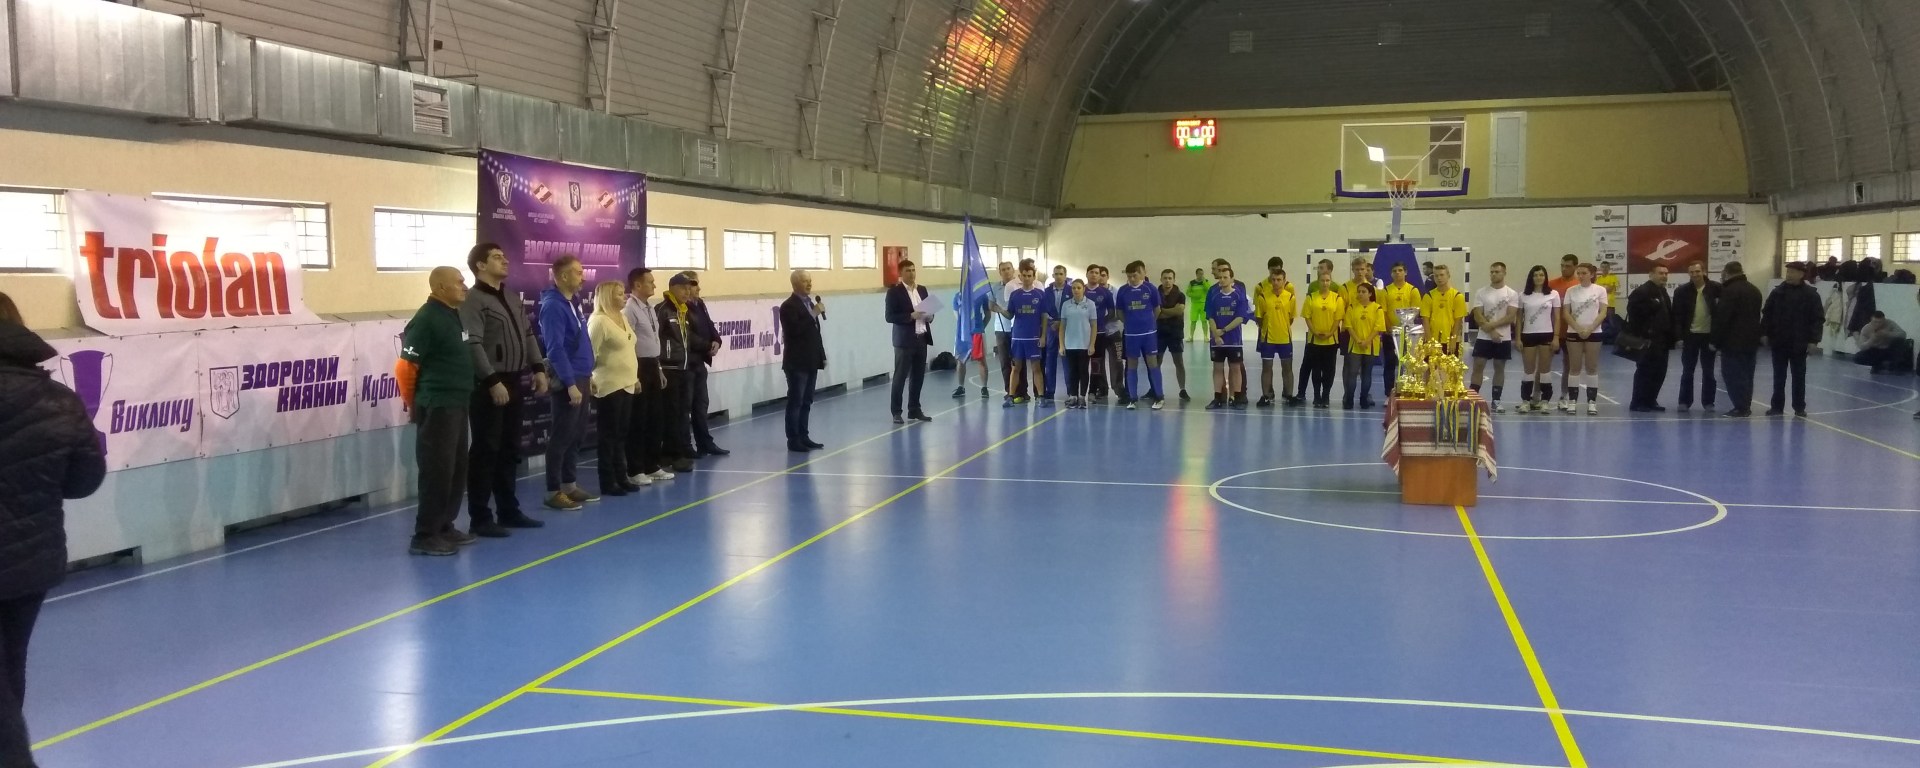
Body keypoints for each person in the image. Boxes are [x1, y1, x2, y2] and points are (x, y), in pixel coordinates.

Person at [0, 292, 106, 766]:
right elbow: (85, 480)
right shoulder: (58, 401)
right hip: (31, 563)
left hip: (29, 559)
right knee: (10, 669)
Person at [460, 243, 550, 536]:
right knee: (486, 450)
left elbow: (528, 334)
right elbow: (472, 343)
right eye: (497, 257)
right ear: (480, 265)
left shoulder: (511, 297)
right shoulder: (473, 300)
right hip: (489, 384)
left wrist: (538, 368)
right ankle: (480, 517)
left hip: (514, 379)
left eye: (504, 255)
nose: (505, 260)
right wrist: (491, 381)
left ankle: (508, 510)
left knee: (509, 448)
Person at [397, 267, 479, 554]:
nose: (465, 286)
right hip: (437, 405)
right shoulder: (427, 318)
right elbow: (405, 366)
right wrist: (414, 404)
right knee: (436, 470)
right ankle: (425, 535)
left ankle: (445, 525)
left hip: (457, 403)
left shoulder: (452, 314)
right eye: (459, 282)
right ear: (441, 287)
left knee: (455, 468)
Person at [538, 255, 597, 509]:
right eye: (578, 272)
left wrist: (588, 375)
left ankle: (569, 484)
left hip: (582, 375)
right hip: (568, 379)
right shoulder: (553, 306)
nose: (583, 277)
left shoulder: (572, 303)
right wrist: (570, 383)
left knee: (576, 434)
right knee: (562, 436)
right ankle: (553, 491)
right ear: (562, 276)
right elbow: (555, 349)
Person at [584, 281, 641, 496]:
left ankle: (621, 476)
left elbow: (628, 348)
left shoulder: (622, 317)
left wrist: (635, 378)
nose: (624, 297)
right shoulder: (599, 321)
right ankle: (607, 481)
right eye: (619, 294)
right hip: (609, 385)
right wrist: (589, 377)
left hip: (627, 383)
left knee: (621, 434)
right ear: (608, 297)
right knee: (609, 435)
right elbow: (590, 353)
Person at [622, 268, 675, 487]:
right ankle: (635, 469)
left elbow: (653, 340)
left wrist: (659, 368)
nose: (654, 285)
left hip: (652, 364)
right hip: (638, 367)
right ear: (637, 285)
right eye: (650, 282)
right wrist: (633, 374)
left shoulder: (649, 308)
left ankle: (652, 465)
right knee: (639, 420)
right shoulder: (629, 310)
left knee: (655, 418)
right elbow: (628, 343)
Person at [1761, 261, 1824, 417]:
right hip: (1779, 341)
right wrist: (1764, 333)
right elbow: (1767, 314)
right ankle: (1776, 407)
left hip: (1799, 343)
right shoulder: (1777, 292)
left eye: (1792, 272)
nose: (1789, 275)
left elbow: (1817, 319)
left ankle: (1799, 407)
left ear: (1801, 274)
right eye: (1788, 272)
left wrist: (1813, 341)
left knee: (1799, 377)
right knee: (1778, 377)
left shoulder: (1811, 295)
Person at [655, 272, 700, 471]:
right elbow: (655, 339)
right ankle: (675, 455)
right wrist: (659, 366)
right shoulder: (662, 310)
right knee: (671, 414)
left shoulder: (684, 310)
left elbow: (687, 338)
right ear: (672, 288)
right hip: (669, 369)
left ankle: (671, 452)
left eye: (689, 288)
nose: (687, 292)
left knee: (682, 412)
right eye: (683, 288)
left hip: (683, 367)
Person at [780, 270, 827, 451]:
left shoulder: (809, 303)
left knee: (807, 401)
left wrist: (821, 355)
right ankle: (793, 439)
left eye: (810, 280)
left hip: (811, 360)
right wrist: (813, 313)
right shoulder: (788, 306)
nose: (809, 284)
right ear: (795, 284)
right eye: (805, 281)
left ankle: (803, 435)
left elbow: (815, 334)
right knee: (796, 401)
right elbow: (795, 331)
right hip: (797, 362)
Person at [885, 259, 935, 423]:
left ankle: (914, 409)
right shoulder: (894, 292)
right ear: (900, 273)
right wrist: (910, 316)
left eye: (913, 270)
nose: (912, 273)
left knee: (918, 376)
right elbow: (889, 316)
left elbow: (929, 311)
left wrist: (930, 316)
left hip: (921, 338)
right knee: (900, 377)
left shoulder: (922, 289)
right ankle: (896, 412)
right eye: (908, 271)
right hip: (904, 341)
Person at [1712, 262, 1764, 418]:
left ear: (1726, 272)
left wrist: (1715, 341)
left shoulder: (1729, 291)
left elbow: (1723, 318)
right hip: (1751, 340)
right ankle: (1745, 405)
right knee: (1747, 375)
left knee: (1733, 374)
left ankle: (1740, 407)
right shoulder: (1754, 290)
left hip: (1732, 341)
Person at [684, 276, 728, 457]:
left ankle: (705, 443)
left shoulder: (700, 304)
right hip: (687, 363)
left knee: (701, 405)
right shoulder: (681, 307)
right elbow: (687, 335)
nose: (698, 289)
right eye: (694, 285)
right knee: (685, 407)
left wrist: (716, 340)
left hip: (700, 362)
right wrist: (706, 345)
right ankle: (685, 446)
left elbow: (709, 325)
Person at [1467, 262, 1518, 412]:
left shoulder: (1511, 294)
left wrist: (1492, 327)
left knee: (1499, 367)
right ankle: (1473, 398)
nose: (1494, 274)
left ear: (1504, 273)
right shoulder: (1481, 292)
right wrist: (1490, 331)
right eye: (1492, 272)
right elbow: (1478, 315)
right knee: (1478, 366)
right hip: (1484, 337)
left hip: (1503, 337)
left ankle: (1496, 400)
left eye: (1497, 272)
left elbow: (1510, 316)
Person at [1671, 261, 1721, 412]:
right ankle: (1684, 401)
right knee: (1687, 371)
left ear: (1704, 272)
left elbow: (1722, 315)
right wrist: (1678, 337)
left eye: (1697, 271)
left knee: (1709, 372)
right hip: (1690, 336)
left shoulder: (1717, 289)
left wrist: (1717, 338)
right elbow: (1677, 316)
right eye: (1691, 272)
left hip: (1709, 337)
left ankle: (1709, 402)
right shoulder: (1681, 291)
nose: (1695, 275)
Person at [1561, 263, 1610, 415]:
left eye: (1584, 273)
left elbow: (1603, 312)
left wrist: (1590, 329)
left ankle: (1592, 402)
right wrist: (1578, 328)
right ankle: (1572, 401)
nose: (1580, 276)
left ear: (1592, 274)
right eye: (1579, 273)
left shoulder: (1600, 290)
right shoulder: (1571, 291)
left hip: (1594, 333)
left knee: (1591, 367)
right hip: (1574, 332)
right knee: (1574, 367)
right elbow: (1566, 313)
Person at [1003, 259, 1053, 406]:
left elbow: (1044, 316)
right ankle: (1011, 396)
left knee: (1036, 368)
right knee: (1015, 368)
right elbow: (1010, 315)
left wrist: (1043, 336)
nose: (1026, 278)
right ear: (1020, 276)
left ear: (1033, 277)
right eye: (1024, 275)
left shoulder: (1040, 294)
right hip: (1018, 337)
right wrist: (999, 309)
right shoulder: (1015, 295)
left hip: (1034, 337)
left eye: (1029, 276)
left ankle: (1041, 396)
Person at [1117, 260, 1165, 410]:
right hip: (1131, 335)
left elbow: (1157, 309)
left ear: (1142, 273)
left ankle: (1159, 397)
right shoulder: (1123, 291)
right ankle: (1132, 398)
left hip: (1149, 334)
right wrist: (1130, 324)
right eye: (1129, 276)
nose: (1132, 279)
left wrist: (1149, 324)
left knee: (1152, 363)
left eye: (1135, 275)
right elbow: (1119, 312)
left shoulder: (1151, 289)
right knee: (1132, 364)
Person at [1627, 264, 1675, 412]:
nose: (1664, 276)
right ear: (1651, 274)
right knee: (1645, 371)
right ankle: (1638, 402)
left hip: (1662, 339)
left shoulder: (1663, 291)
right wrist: (1642, 334)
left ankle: (1650, 400)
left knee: (1659, 371)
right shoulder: (1641, 292)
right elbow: (1633, 314)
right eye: (1660, 273)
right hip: (1647, 339)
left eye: (1666, 273)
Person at [1205, 262, 1252, 410]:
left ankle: (1237, 397)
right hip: (1217, 340)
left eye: (1225, 277)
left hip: (1233, 339)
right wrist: (1216, 334)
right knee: (1217, 368)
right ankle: (1217, 398)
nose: (1222, 280)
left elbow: (1240, 317)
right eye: (1220, 277)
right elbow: (1210, 316)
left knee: (1235, 368)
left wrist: (1223, 330)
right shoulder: (1214, 295)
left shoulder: (1239, 295)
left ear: (1232, 279)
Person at [1515, 265, 1563, 413]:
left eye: (1541, 275)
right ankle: (1525, 400)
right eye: (1535, 275)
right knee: (1528, 370)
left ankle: (1545, 401)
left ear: (1545, 277)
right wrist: (1518, 338)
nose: (1538, 278)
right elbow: (1519, 319)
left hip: (1546, 335)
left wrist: (1556, 337)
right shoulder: (1523, 295)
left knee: (1545, 370)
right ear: (1531, 277)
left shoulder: (1553, 294)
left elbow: (1557, 318)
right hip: (1528, 335)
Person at [1252, 259, 1298, 407]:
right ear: (1270, 280)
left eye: (1279, 280)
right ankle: (1266, 396)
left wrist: (1281, 326)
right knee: (1267, 367)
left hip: (1285, 338)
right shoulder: (1263, 296)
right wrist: (1267, 328)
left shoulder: (1290, 297)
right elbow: (1259, 318)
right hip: (1268, 339)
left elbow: (1291, 318)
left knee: (1287, 368)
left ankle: (1289, 395)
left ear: (1284, 281)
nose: (1276, 282)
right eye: (1273, 280)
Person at [1301, 266, 1346, 409]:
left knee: (1329, 370)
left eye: (1327, 280)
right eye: (1322, 280)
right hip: (1314, 340)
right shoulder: (1311, 297)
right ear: (1318, 281)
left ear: (1330, 282)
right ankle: (1316, 396)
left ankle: (1326, 395)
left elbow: (1338, 319)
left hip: (1331, 341)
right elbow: (1307, 317)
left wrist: (1331, 332)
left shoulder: (1337, 298)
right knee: (1316, 370)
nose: (1325, 283)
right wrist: (1314, 331)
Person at [1378, 262, 1422, 398]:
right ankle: (1389, 394)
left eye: (1400, 270)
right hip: (1390, 333)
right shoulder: (1386, 291)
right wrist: (1389, 327)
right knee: (1390, 363)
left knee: (1407, 363)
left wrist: (1406, 327)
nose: (1397, 273)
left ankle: (1406, 390)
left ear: (1405, 272)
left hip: (1408, 333)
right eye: (1395, 271)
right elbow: (1383, 311)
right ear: (1391, 274)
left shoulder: (1413, 290)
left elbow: (1415, 311)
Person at [1343, 282, 1386, 409]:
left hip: (1370, 346)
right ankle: (1349, 399)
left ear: (1370, 294)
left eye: (1363, 292)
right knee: (1352, 373)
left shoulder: (1377, 308)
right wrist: (1358, 340)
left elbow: (1378, 328)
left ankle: (1364, 399)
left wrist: (1367, 341)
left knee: (1367, 373)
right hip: (1355, 345)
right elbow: (1348, 326)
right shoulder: (1352, 307)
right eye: (1359, 291)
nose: (1360, 294)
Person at [1057, 279, 1098, 408]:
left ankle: (1082, 397)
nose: (1076, 290)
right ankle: (1073, 396)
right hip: (1070, 344)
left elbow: (1094, 325)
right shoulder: (1066, 305)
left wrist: (1092, 344)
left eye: (1078, 288)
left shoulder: (1090, 304)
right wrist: (1062, 345)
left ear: (1083, 289)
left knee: (1083, 371)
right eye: (1074, 288)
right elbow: (1062, 326)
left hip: (1084, 344)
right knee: (1072, 372)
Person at [1087, 265, 1122, 402]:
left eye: (1102, 275)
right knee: (1098, 363)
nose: (1099, 277)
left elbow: (1116, 312)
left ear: (1107, 277)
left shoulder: (1114, 292)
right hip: (1096, 334)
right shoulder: (1085, 290)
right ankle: (1101, 389)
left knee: (1117, 362)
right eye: (1095, 273)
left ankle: (1119, 389)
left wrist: (1100, 321)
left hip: (1113, 332)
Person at [1548, 253, 1580, 402]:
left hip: (1570, 332)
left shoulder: (1578, 286)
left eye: (1567, 266)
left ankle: (1564, 395)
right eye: (1562, 265)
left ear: (1575, 267)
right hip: (1552, 331)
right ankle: (1537, 396)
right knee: (1543, 365)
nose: (1564, 269)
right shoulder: (1551, 284)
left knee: (1568, 365)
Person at [1155, 268, 1191, 402]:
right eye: (1165, 278)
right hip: (1159, 332)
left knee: (1179, 362)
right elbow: (1155, 313)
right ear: (1161, 279)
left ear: (1174, 280)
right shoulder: (1155, 294)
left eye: (1170, 278)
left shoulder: (1180, 295)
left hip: (1175, 332)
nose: (1167, 281)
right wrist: (1171, 311)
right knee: (1156, 362)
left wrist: (1162, 311)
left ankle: (1182, 389)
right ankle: (1155, 389)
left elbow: (1179, 311)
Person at [1420, 264, 1469, 357]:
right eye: (1436, 276)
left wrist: (1453, 339)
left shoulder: (1457, 296)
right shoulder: (1428, 296)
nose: (1439, 278)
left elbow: (1458, 321)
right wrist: (1430, 341)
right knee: (1431, 366)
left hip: (1450, 341)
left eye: (1442, 275)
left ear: (1448, 276)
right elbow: (1425, 320)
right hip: (1433, 340)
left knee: (1450, 366)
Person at [1042, 264, 1071, 403]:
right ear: (1052, 276)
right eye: (1056, 274)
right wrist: (1051, 323)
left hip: (1067, 328)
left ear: (1065, 276)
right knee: (1050, 361)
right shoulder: (1046, 292)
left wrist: (1061, 322)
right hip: (1051, 328)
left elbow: (1073, 309)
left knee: (1067, 361)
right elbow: (1043, 310)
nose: (1058, 276)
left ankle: (1071, 391)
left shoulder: (1071, 290)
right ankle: (1050, 391)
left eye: (1061, 274)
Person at [990, 260, 1017, 395]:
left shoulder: (1018, 285)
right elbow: (991, 306)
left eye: (1008, 268)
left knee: (1018, 362)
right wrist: (999, 309)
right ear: (1000, 272)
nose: (1006, 271)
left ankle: (1021, 391)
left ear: (1013, 270)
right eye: (1003, 269)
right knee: (1005, 362)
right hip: (1001, 329)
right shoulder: (995, 288)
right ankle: (1009, 391)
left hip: (1017, 328)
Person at [1186, 267, 1211, 342]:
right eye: (1200, 274)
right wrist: (1194, 295)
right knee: (1193, 321)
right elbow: (1188, 292)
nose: (1201, 275)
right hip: (1195, 304)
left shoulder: (1206, 281)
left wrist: (1204, 282)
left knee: (1204, 321)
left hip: (1204, 304)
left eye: (1202, 274)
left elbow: (1209, 290)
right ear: (1196, 274)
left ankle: (1206, 337)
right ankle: (1191, 337)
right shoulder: (1192, 283)